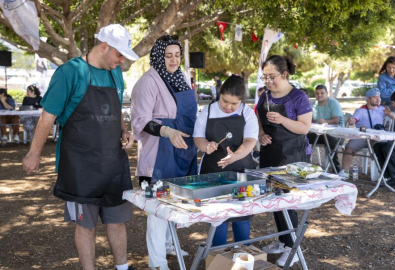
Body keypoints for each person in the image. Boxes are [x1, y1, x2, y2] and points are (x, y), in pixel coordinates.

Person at [22, 24, 138, 270]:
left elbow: (116, 108)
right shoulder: (69, 72)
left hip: (112, 163)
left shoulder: (115, 73)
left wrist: (124, 131)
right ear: (104, 46)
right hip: (79, 165)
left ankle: (123, 268)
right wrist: (34, 154)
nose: (121, 61)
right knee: (86, 225)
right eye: (119, 54)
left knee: (117, 222)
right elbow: (47, 117)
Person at [131, 34, 197, 270]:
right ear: (159, 56)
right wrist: (167, 131)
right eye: (168, 55)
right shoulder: (147, 82)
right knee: (158, 209)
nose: (173, 60)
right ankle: (157, 262)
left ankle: (169, 245)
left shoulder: (181, 78)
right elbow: (140, 121)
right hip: (159, 154)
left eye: (177, 55)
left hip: (183, 150)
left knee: (176, 204)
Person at [256, 55, 312, 267]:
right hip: (270, 152)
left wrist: (282, 120)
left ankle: (293, 248)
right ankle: (283, 240)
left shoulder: (299, 97)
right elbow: (258, 120)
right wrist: (261, 134)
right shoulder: (265, 96)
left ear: (285, 74)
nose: (268, 81)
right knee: (274, 200)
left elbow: (304, 127)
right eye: (265, 77)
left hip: (292, 155)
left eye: (272, 77)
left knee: (287, 202)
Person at [193, 75, 259, 246]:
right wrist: (206, 146)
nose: (229, 107)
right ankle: (217, 255)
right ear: (219, 93)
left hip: (241, 169)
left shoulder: (247, 112)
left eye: (234, 104)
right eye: (225, 101)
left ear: (241, 101)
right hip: (212, 172)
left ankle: (243, 253)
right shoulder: (207, 111)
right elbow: (198, 137)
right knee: (217, 216)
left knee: (242, 215)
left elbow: (250, 141)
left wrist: (236, 155)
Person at [339, 88, 395, 178]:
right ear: (368, 99)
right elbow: (353, 121)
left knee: (385, 147)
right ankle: (345, 172)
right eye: (375, 97)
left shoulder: (382, 109)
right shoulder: (360, 110)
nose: (378, 99)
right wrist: (352, 121)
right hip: (362, 137)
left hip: (376, 138)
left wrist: (389, 114)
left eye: (379, 97)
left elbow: (394, 117)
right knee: (349, 147)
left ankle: (385, 174)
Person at [373, 89, 395, 192]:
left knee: (389, 147)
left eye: (394, 103)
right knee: (378, 146)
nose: (393, 105)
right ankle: (393, 177)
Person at [307, 84, 344, 172]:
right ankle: (303, 164)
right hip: (319, 133)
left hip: (335, 134)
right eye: (317, 93)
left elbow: (336, 120)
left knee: (329, 139)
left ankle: (336, 168)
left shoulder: (333, 103)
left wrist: (324, 121)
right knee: (302, 137)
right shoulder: (314, 104)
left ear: (327, 93)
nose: (319, 95)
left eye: (322, 93)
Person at [378, 56, 395, 131]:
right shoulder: (382, 77)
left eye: (393, 67)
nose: (391, 70)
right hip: (387, 103)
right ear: (385, 67)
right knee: (392, 114)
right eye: (389, 67)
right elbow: (383, 93)